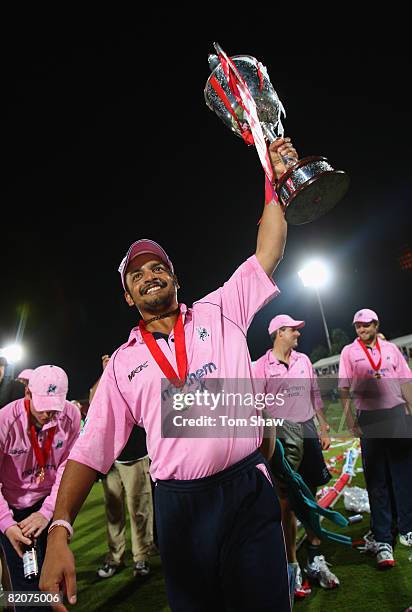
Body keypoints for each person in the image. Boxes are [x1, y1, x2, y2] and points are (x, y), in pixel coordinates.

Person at [39, 137, 297, 612]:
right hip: (181, 507)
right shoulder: (122, 365)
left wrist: (274, 183)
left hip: (246, 490)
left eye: (159, 267)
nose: (150, 276)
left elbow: (268, 248)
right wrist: (59, 531)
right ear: (128, 297)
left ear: (176, 279)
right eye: (137, 275)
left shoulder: (222, 309)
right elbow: (91, 449)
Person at [254, 314, 338, 598]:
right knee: (285, 502)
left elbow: (315, 395)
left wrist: (323, 425)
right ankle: (291, 564)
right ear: (279, 333)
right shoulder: (260, 367)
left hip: (308, 431)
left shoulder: (303, 361)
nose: (298, 335)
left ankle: (314, 555)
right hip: (280, 436)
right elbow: (254, 408)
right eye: (293, 330)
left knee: (311, 496)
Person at [0, 365, 81, 610]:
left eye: (54, 405)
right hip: (11, 509)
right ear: (28, 393)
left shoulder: (71, 416)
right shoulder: (5, 420)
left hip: (48, 504)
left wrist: (47, 513)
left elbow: (68, 470)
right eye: (43, 404)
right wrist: (7, 524)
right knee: (26, 585)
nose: (48, 413)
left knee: (52, 578)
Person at [339, 308, 412, 569]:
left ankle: (407, 528)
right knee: (377, 479)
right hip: (369, 418)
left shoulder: (391, 349)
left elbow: (406, 382)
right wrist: (350, 422)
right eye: (358, 326)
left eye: (366, 325)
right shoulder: (349, 352)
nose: (362, 330)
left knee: (403, 475)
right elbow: (344, 389)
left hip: (396, 415)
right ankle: (383, 537)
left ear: (376, 324)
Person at [90, 355, 154, 579]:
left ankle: (141, 557)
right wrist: (105, 373)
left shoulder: (137, 378)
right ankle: (115, 557)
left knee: (140, 510)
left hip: (135, 456)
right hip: (111, 460)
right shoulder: (104, 382)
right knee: (113, 511)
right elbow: (92, 398)